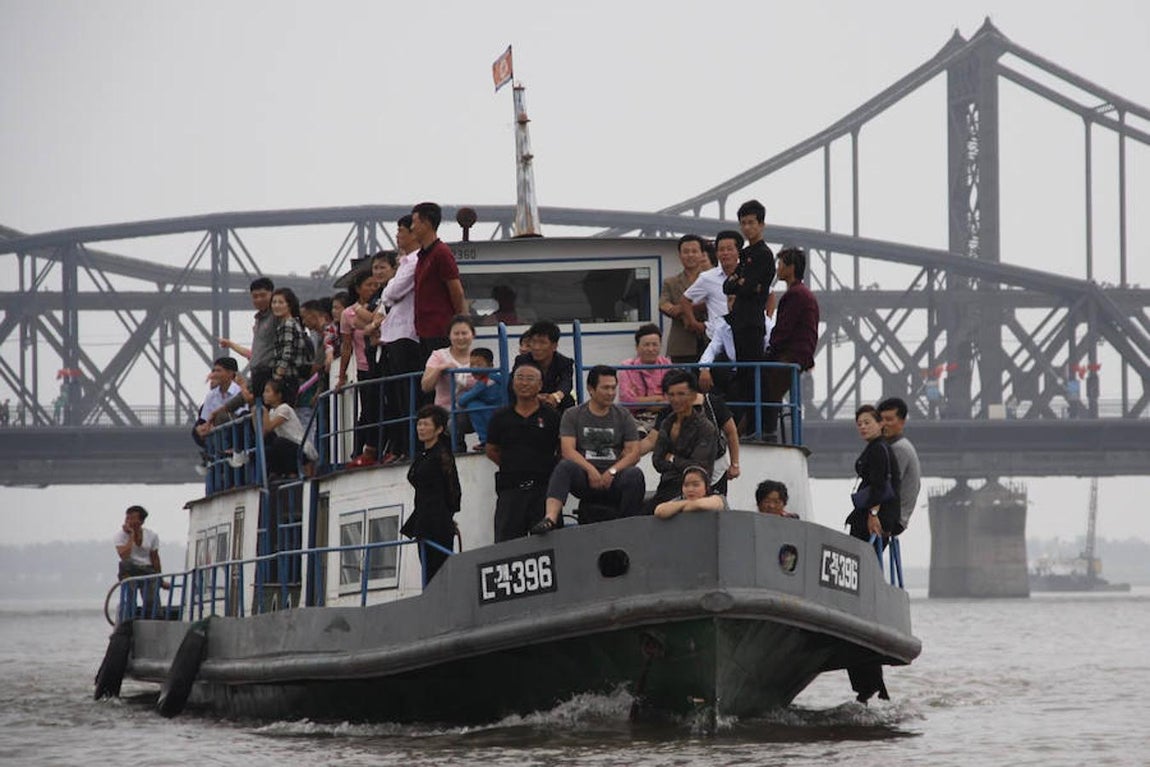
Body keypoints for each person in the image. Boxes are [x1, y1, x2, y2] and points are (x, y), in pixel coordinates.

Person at [532, 365, 645, 532]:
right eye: (605, 388)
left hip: (614, 478)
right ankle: (550, 518)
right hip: (585, 478)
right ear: (591, 389)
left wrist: (612, 472)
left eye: (613, 388)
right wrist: (590, 470)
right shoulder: (573, 414)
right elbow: (568, 450)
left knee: (634, 474)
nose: (610, 393)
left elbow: (633, 453)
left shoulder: (623, 415)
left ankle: (629, 524)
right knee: (564, 467)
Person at [845, 404, 900, 704]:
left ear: (880, 424)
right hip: (868, 516)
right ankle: (874, 687)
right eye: (859, 423)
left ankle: (873, 686)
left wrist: (874, 514)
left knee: (863, 580)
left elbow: (881, 486)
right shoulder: (876, 448)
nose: (862, 427)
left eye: (867, 422)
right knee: (862, 577)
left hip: (873, 519)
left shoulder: (879, 449)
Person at [485, 362, 561, 541]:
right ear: (512, 383)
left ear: (540, 385)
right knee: (507, 546)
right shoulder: (500, 417)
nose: (524, 383)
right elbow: (491, 450)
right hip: (510, 491)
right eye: (519, 378)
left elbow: (562, 450)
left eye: (530, 379)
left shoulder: (551, 416)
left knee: (550, 545)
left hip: (544, 491)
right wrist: (513, 465)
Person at [763, 247, 820, 442]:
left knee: (761, 384)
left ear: (791, 267)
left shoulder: (795, 295)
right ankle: (764, 430)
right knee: (770, 390)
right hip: (800, 355)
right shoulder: (804, 293)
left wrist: (770, 351)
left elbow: (783, 330)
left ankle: (765, 432)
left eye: (780, 264)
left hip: (791, 355)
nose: (777, 269)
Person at [379, 214, 423, 462]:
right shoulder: (405, 261)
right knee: (397, 395)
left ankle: (409, 446)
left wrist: (388, 293)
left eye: (401, 230)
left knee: (406, 394)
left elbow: (391, 293)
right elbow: (388, 294)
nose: (397, 235)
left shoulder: (414, 261)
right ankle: (403, 446)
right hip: (395, 335)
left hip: (405, 334)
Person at [402, 405, 461, 582]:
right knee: (428, 572)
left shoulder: (442, 454)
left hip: (438, 522)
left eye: (426, 424)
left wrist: (448, 516)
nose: (421, 428)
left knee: (439, 572)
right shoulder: (423, 455)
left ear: (439, 429)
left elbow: (453, 488)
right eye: (419, 424)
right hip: (423, 520)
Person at [645, 369, 717, 513]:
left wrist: (672, 459)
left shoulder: (705, 427)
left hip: (693, 492)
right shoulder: (667, 423)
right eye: (671, 395)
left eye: (681, 394)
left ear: (693, 395)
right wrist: (680, 462)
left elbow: (697, 466)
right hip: (666, 487)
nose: (676, 399)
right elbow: (657, 461)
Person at [410, 202, 467, 358]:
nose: (412, 228)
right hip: (424, 330)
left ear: (427, 223)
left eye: (415, 222)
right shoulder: (423, 255)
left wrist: (459, 322)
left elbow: (456, 290)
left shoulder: (441, 253)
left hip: (440, 329)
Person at [339, 270, 384, 466]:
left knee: (384, 408)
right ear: (358, 289)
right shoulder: (347, 314)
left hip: (383, 363)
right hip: (365, 367)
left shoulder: (382, 307)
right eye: (369, 285)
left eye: (375, 285)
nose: (373, 288)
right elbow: (346, 346)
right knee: (367, 410)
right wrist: (341, 375)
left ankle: (379, 448)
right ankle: (360, 451)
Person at [216, 277, 276, 413]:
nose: (259, 299)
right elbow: (252, 354)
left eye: (263, 295)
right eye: (255, 296)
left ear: (272, 294)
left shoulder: (275, 317)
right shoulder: (259, 320)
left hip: (270, 375)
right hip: (258, 376)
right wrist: (230, 344)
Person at [421, 314, 478, 449]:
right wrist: (440, 369)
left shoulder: (479, 358)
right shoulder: (439, 355)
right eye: (456, 334)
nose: (460, 337)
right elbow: (425, 386)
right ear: (449, 336)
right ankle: (457, 450)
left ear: (473, 335)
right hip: (445, 412)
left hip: (473, 410)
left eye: (464, 333)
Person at [244, 377, 318, 478]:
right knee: (266, 447)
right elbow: (262, 434)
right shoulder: (272, 412)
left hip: (299, 447)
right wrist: (254, 415)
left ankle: (294, 471)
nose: (264, 395)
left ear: (278, 395)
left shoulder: (284, 408)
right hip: (287, 448)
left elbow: (268, 427)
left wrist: (264, 412)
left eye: (268, 391)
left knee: (278, 442)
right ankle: (275, 473)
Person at [658, 234, 708, 363]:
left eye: (694, 251)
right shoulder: (670, 282)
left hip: (710, 340)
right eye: (686, 252)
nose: (690, 255)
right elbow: (664, 305)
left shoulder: (711, 279)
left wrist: (683, 309)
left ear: (702, 254)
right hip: (681, 345)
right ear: (679, 255)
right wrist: (696, 307)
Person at [617, 323, 671, 434]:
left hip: (664, 417)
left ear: (660, 346)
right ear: (637, 347)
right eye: (646, 345)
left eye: (655, 345)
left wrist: (641, 401)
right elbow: (626, 400)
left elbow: (672, 398)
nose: (651, 349)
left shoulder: (667, 364)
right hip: (633, 418)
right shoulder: (626, 367)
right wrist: (658, 398)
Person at [877, 396, 922, 532]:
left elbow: (886, 486)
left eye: (889, 419)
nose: (884, 424)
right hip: (894, 516)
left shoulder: (899, 448)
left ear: (902, 422)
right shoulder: (897, 445)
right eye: (881, 420)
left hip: (894, 518)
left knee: (857, 520)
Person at [511, 320, 575, 412]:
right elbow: (513, 384)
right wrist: (534, 396)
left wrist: (555, 396)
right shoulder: (522, 360)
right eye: (533, 342)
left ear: (554, 346)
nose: (536, 347)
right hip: (528, 399)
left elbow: (566, 383)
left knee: (568, 400)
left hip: (553, 401)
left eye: (542, 343)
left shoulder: (564, 362)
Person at [114, 505, 163, 616]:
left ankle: (154, 617)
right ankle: (129, 616)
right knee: (125, 566)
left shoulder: (152, 535)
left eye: (132, 518)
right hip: (130, 569)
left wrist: (160, 579)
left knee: (151, 600)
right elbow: (124, 555)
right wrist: (131, 535)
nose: (129, 521)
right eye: (127, 518)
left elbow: (155, 558)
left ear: (141, 521)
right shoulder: (120, 536)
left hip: (147, 570)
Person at [192, 357, 246, 453]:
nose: (214, 374)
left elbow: (241, 416)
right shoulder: (211, 395)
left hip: (235, 433)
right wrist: (201, 428)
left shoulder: (239, 392)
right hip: (217, 436)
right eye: (214, 371)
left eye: (218, 371)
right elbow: (204, 419)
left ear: (230, 373)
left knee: (222, 417)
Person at [457, 347, 503, 451]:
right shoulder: (498, 377)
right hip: (497, 412)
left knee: (473, 405)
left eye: (479, 365)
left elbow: (462, 401)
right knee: (474, 404)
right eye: (472, 365)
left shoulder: (485, 381)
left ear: (490, 366)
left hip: (497, 414)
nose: (474, 368)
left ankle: (487, 441)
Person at [653, 464, 728, 519]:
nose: (690, 489)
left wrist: (679, 508)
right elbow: (659, 511)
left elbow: (700, 505)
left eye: (696, 485)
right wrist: (686, 505)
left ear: (706, 487)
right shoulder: (680, 500)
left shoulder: (719, 498)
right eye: (686, 485)